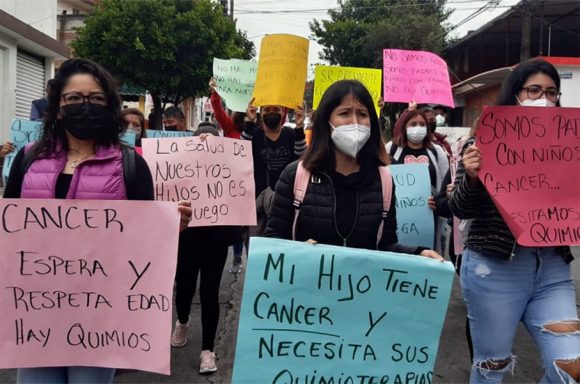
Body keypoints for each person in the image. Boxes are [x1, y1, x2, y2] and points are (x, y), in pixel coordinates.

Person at [3, 58, 192, 384]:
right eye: (74, 99)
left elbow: (143, 245)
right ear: (58, 107)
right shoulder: (28, 158)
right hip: (35, 314)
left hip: (99, 317)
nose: (85, 106)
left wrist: (169, 228)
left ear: (109, 107)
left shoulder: (131, 164)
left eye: (96, 99)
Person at [449, 58, 579, 383]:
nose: (544, 99)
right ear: (515, 94)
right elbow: (460, 207)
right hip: (494, 270)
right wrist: (474, 178)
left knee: (571, 367)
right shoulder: (479, 145)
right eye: (534, 90)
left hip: (552, 268)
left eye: (551, 92)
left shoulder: (569, 148)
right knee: (491, 367)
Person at [265, 79, 442, 261]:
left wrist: (418, 254)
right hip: (306, 286)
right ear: (326, 121)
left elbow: (385, 245)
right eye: (344, 113)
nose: (355, 122)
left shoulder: (384, 180)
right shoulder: (295, 176)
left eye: (363, 114)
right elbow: (273, 240)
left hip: (361, 288)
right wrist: (299, 251)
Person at [170, 123, 242, 374]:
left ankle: (208, 350)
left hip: (215, 242)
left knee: (210, 293)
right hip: (186, 241)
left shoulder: (229, 167)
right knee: (185, 289)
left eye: (211, 141)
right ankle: (183, 321)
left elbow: (242, 175)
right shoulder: (180, 167)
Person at [386, 109, 449, 253]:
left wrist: (438, 201)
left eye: (422, 124)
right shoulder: (391, 149)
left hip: (429, 219)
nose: (418, 128)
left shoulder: (437, 151)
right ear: (404, 127)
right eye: (413, 124)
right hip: (396, 216)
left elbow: (446, 186)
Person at [242, 98, 307, 236]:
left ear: (283, 112)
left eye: (276, 110)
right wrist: (249, 122)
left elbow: (303, 159)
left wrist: (300, 127)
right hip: (256, 203)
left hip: (285, 202)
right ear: (261, 112)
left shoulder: (291, 135)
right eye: (267, 110)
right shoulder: (254, 134)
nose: (272, 113)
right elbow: (240, 154)